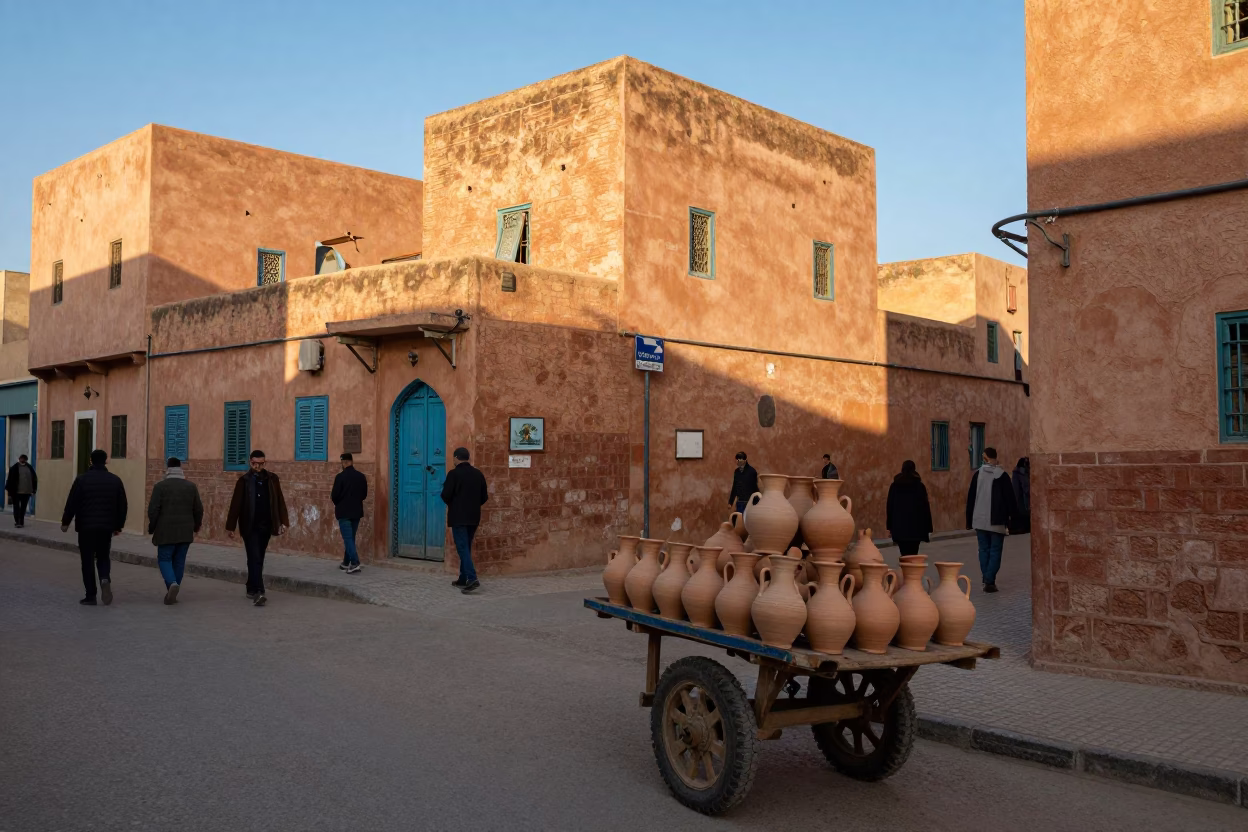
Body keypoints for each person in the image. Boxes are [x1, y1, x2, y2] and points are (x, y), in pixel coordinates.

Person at [60, 449, 127, 606]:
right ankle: (104, 578)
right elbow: (122, 505)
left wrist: (65, 522)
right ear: (106, 461)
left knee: (87, 560)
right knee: (103, 556)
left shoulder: (82, 480)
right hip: (106, 527)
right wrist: (118, 526)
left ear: (90, 461)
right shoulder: (115, 480)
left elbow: (72, 503)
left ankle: (91, 595)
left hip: (86, 528)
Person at [225, 450, 289, 607]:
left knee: (257, 557)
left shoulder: (272, 479)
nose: (258, 467)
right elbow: (236, 505)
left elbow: (280, 500)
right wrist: (231, 526)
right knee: (255, 557)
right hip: (249, 525)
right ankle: (259, 591)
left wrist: (284, 521)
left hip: (266, 525)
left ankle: (250, 586)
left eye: (261, 464)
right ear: (250, 462)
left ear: (265, 463)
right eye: (255, 463)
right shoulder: (244, 481)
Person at [147, 457, 204, 605]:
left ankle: (172, 584)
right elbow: (198, 509)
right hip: (185, 532)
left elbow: (153, 510)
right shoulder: (191, 486)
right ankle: (173, 590)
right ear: (180, 468)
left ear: (168, 468)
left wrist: (152, 527)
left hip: (165, 532)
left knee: (164, 559)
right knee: (179, 562)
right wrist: (196, 525)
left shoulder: (160, 486)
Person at [965, 446, 1018, 593]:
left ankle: (986, 579)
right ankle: (989, 580)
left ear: (984, 457)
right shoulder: (1002, 476)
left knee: (984, 549)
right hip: (997, 520)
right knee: (995, 551)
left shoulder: (977, 475)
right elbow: (1010, 500)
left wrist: (969, 520)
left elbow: (971, 499)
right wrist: (1013, 520)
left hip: (979, 520)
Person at [441, 447, 488, 594]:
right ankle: (462, 578)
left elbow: (445, 495)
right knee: (466, 547)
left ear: (456, 458)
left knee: (462, 548)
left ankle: (472, 578)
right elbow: (484, 497)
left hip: (459, 517)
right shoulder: (478, 474)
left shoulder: (453, 474)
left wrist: (455, 504)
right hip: (474, 517)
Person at [886, 460, 932, 556]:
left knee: (904, 555)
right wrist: (928, 528)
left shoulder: (895, 486)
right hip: (916, 529)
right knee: (913, 554)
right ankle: (911, 570)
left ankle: (906, 570)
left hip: (899, 528)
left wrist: (890, 526)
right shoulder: (919, 486)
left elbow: (890, 507)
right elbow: (925, 508)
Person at [331, 452, 368, 574]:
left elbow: (334, 496)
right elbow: (364, 495)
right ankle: (346, 562)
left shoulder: (340, 477)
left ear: (343, 462)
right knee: (350, 537)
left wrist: (340, 504)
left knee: (347, 538)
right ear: (352, 462)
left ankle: (355, 562)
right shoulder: (361, 476)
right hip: (356, 512)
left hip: (344, 513)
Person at [6, 453, 37, 528]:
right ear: (19, 459)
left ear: (26, 460)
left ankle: (21, 521)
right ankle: (17, 521)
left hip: (26, 492)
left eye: (24, 459)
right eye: (21, 459)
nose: (23, 460)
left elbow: (34, 479)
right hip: (16, 492)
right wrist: (9, 491)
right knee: (16, 507)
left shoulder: (29, 468)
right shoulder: (14, 468)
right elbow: (10, 480)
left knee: (23, 508)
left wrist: (34, 490)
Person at [1010, 456, 1031, 535]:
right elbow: (1026, 488)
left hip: (1017, 499)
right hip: (1022, 500)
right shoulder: (1022, 473)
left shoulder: (1016, 473)